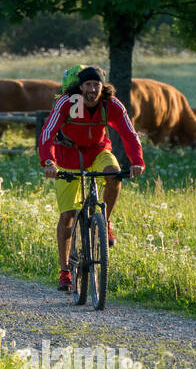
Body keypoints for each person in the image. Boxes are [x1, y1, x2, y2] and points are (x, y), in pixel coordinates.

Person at [38, 66, 145, 291]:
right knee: (67, 214)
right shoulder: (67, 102)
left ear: (102, 86)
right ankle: (65, 271)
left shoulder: (111, 104)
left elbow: (129, 133)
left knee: (114, 175)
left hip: (98, 152)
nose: (92, 89)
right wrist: (49, 162)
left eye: (96, 85)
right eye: (88, 85)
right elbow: (47, 132)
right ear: (80, 87)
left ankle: (104, 222)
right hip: (67, 156)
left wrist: (137, 161)